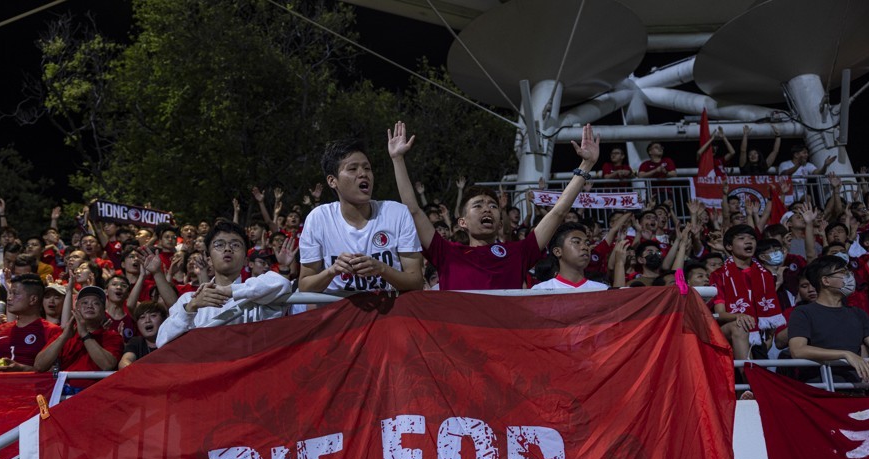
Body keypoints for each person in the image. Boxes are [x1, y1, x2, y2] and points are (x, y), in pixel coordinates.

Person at [387, 121, 600, 290]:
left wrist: (586, 165)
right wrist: (397, 160)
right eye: (478, 206)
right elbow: (413, 210)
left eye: (493, 206)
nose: (487, 209)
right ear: (462, 222)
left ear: (500, 222)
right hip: (458, 343)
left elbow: (558, 212)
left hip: (505, 343)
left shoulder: (519, 253)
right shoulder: (446, 253)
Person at [298, 138, 423, 293]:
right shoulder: (318, 219)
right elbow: (304, 285)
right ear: (332, 181)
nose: (363, 174)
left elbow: (416, 281)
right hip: (340, 315)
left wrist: (382, 269)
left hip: (389, 315)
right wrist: (332, 271)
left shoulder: (397, 213)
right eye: (352, 169)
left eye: (367, 168)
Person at [156, 221, 292, 347]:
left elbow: (282, 283)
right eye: (219, 245)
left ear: (245, 260)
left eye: (235, 245)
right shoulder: (189, 299)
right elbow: (161, 340)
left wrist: (228, 290)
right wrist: (191, 308)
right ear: (209, 259)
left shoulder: (258, 296)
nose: (228, 249)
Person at [789, 255, 869, 385]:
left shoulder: (858, 313)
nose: (850, 277)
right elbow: (798, 350)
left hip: (855, 388)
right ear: (825, 281)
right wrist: (845, 354)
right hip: (820, 389)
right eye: (843, 273)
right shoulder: (803, 313)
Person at [711, 225, 786, 359]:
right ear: (729, 247)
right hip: (730, 332)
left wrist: (769, 340)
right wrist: (738, 316)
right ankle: (749, 374)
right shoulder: (719, 275)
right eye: (741, 238)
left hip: (761, 340)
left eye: (752, 238)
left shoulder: (765, 275)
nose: (748, 241)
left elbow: (771, 312)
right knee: (739, 326)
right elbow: (720, 314)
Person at [34, 285, 122, 373]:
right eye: (84, 303)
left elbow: (107, 365)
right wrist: (64, 337)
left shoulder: (112, 337)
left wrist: (85, 334)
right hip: (64, 386)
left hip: (97, 386)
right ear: (76, 309)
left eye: (96, 303)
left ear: (104, 312)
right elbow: (39, 366)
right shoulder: (65, 335)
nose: (89, 306)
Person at [0, 274, 62, 372]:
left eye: (15, 294)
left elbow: (54, 372)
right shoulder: (0, 329)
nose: (9, 298)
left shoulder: (52, 331)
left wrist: (21, 369)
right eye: (9, 293)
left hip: (34, 387)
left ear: (33, 299)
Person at [531, 224, 609, 292]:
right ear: (558, 251)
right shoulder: (540, 291)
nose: (585, 247)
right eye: (576, 242)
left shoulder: (602, 290)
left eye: (587, 243)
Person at [118, 301, 167, 368]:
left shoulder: (172, 341)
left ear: (164, 320)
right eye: (142, 317)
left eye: (153, 315)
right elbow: (124, 362)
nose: (147, 320)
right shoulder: (136, 342)